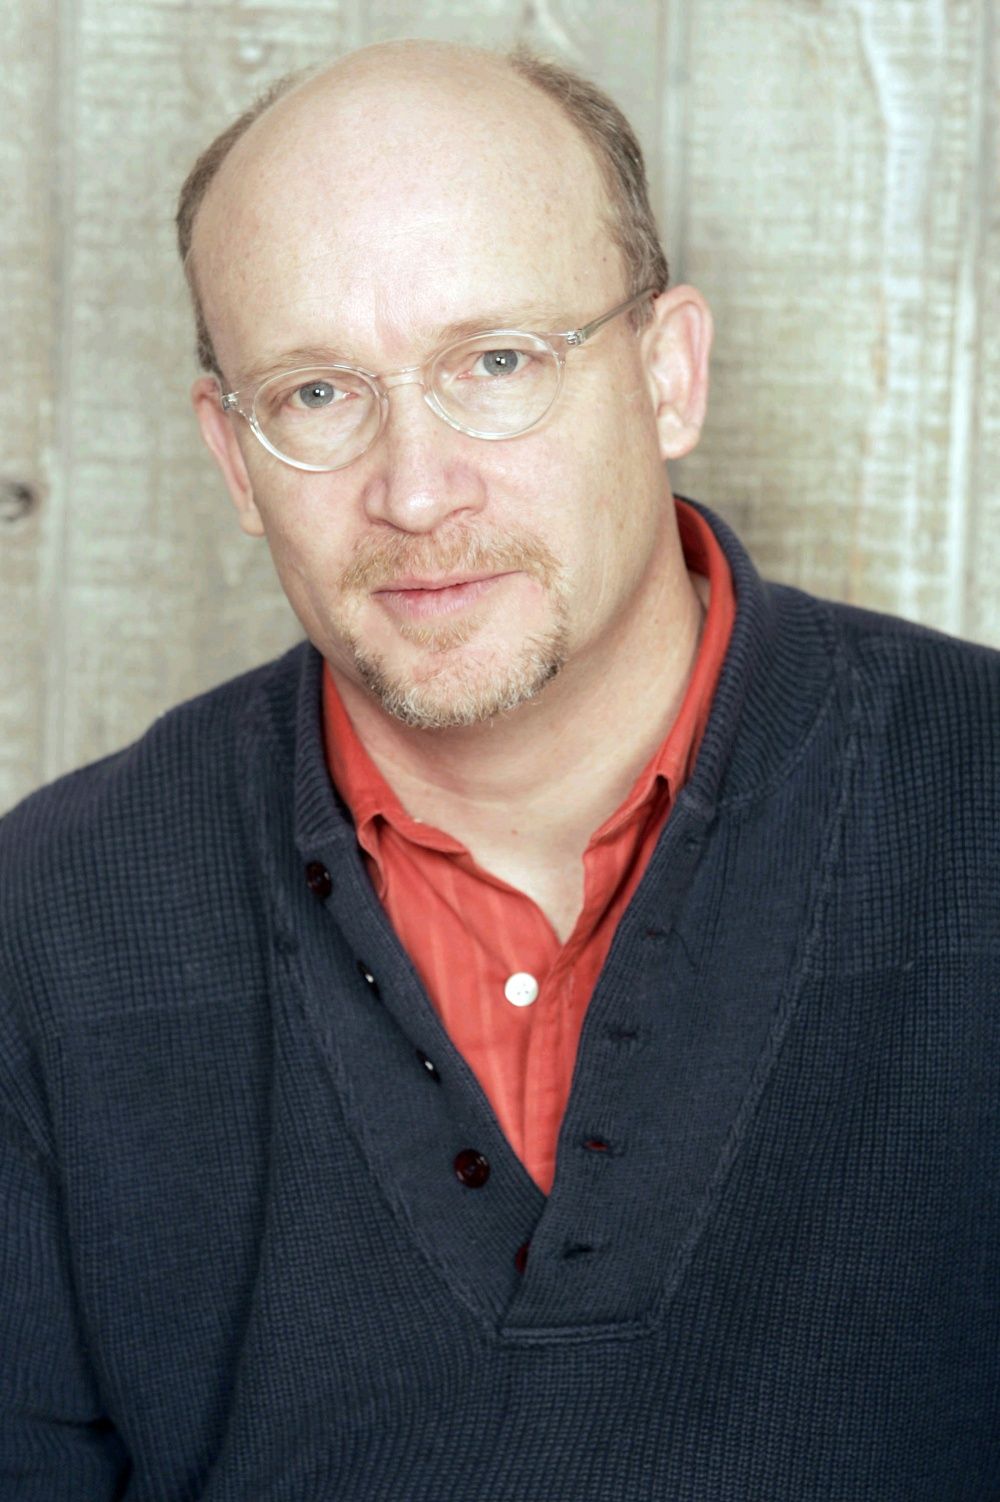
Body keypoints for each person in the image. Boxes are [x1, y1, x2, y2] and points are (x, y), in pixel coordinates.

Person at [0, 39, 997, 1501]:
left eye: (498, 363)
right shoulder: (47, 921)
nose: (415, 491)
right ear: (232, 456)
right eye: (318, 393)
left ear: (668, 374)